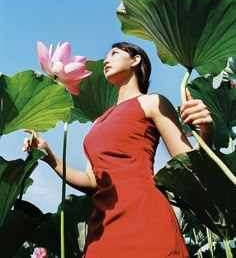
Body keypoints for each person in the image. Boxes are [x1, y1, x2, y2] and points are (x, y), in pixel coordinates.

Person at [23, 42, 214, 258]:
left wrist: (207, 131)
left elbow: (187, 164)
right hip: (102, 224)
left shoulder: (152, 103)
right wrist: (50, 157)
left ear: (135, 60)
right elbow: (91, 181)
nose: (106, 60)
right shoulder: (97, 122)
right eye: (106, 56)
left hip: (144, 215)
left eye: (114, 53)